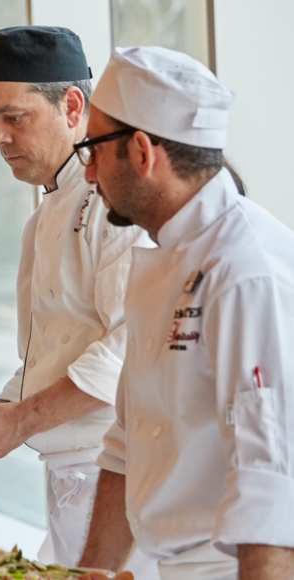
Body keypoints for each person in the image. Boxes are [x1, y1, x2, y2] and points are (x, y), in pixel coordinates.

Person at [0, 26, 156, 576]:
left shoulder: (115, 203)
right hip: (66, 473)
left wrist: (20, 421)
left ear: (73, 106)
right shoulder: (46, 211)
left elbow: (127, 348)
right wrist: (0, 410)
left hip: (120, 478)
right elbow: (48, 349)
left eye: (15, 118)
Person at [77, 46, 294, 579]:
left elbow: (271, 482)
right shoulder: (166, 256)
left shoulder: (245, 270)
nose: (88, 174)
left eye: (93, 149)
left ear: (144, 152)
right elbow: (127, 445)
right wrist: (87, 575)